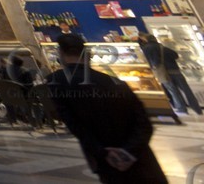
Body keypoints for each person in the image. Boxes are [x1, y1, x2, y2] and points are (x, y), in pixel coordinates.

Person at [48, 32, 166, 183]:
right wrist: (129, 152)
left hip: (108, 161)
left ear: (61, 53)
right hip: (142, 160)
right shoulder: (115, 81)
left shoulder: (56, 82)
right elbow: (143, 122)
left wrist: (103, 152)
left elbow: (74, 124)